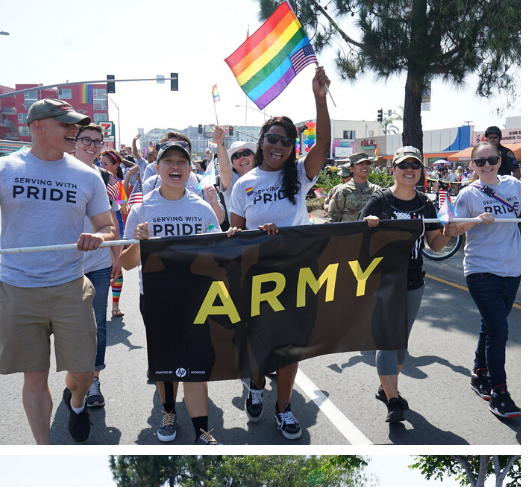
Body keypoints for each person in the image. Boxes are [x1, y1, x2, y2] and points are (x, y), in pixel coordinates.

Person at [0, 99, 117, 444]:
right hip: (17, 289)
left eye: (74, 125)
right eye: (65, 124)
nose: (73, 131)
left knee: (82, 372)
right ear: (38, 127)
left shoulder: (87, 175)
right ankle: (43, 448)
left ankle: (76, 403)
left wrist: (99, 236)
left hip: (69, 286)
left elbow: (108, 228)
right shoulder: (3, 168)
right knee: (35, 377)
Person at [227, 66, 333, 440]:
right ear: (262, 141)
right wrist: (254, 234)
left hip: (299, 272)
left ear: (292, 147)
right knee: (261, 345)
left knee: (289, 348)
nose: (279, 145)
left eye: (286, 141)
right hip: (258, 274)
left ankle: (284, 407)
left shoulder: (301, 174)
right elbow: (234, 233)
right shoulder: (245, 183)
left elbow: (323, 145)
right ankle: (256, 383)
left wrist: (320, 100)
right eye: (272, 138)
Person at [122, 139, 224, 444]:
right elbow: (126, 264)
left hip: (196, 298)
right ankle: (168, 414)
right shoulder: (141, 209)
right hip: (156, 298)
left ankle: (202, 432)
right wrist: (140, 244)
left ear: (190, 169)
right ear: (157, 167)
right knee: (165, 363)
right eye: (169, 161)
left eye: (182, 162)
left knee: (195, 365)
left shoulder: (202, 208)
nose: (175, 167)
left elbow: (218, 254)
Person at [361, 146, 448, 423]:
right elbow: (356, 240)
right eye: (403, 165)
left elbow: (434, 244)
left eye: (415, 165)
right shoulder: (380, 201)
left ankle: (386, 387)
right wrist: (369, 225)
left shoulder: (426, 203)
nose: (409, 169)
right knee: (387, 342)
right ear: (394, 169)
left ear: (421, 171)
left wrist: (451, 231)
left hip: (413, 281)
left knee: (400, 345)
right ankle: (394, 400)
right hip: (383, 282)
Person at [445, 140, 524, 421]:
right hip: (480, 270)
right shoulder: (469, 193)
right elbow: (452, 230)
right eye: (480, 162)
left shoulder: (515, 187)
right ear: (473, 166)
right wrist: (476, 220)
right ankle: (499, 392)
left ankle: (479, 374)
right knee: (499, 332)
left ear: (500, 161)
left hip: (511, 269)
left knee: (490, 327)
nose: (487, 165)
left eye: (492, 160)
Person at [70, 122, 120, 411]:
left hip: (99, 264)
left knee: (97, 326)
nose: (91, 146)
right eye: (86, 140)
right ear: (73, 142)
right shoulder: (59, 171)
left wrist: (116, 259)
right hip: (66, 266)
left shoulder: (106, 178)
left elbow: (112, 224)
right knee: (71, 328)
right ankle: (76, 380)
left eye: (97, 142)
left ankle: (94, 382)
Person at [325, 151, 379, 222]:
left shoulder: (376, 190)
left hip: (371, 232)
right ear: (352, 169)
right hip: (350, 232)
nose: (365, 166)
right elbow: (333, 218)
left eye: (367, 163)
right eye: (360, 163)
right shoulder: (343, 191)